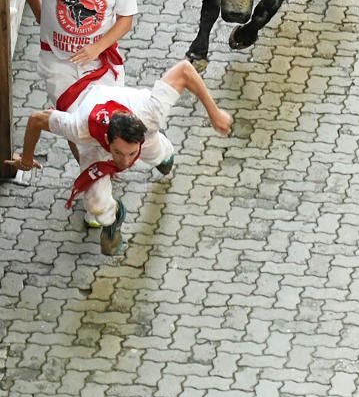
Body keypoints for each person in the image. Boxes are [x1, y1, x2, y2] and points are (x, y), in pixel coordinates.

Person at [6, 60, 232, 256]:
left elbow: (184, 70)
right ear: (108, 140)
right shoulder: (79, 127)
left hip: (146, 136)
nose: (124, 163)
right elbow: (36, 120)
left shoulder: (151, 112)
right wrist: (26, 160)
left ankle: (163, 155)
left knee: (159, 156)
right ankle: (113, 218)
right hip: (94, 146)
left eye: (131, 154)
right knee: (95, 201)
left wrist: (214, 113)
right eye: (119, 154)